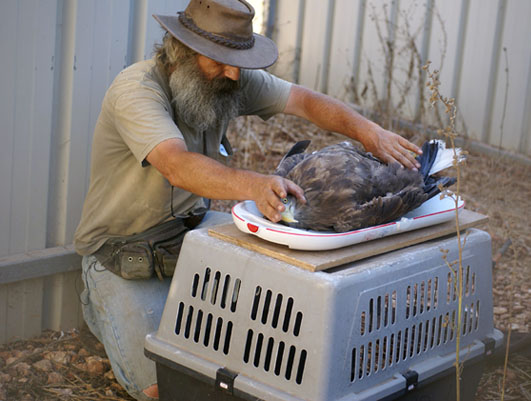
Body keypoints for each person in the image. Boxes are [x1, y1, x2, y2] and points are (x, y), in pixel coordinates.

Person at [73, 0, 422, 399]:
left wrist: (367, 131)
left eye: (238, 59)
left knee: (298, 281)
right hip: (119, 256)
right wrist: (255, 185)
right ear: (182, 50)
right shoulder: (136, 91)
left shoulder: (227, 78)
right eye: (220, 60)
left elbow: (304, 101)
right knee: (165, 385)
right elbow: (176, 165)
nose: (234, 72)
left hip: (194, 233)